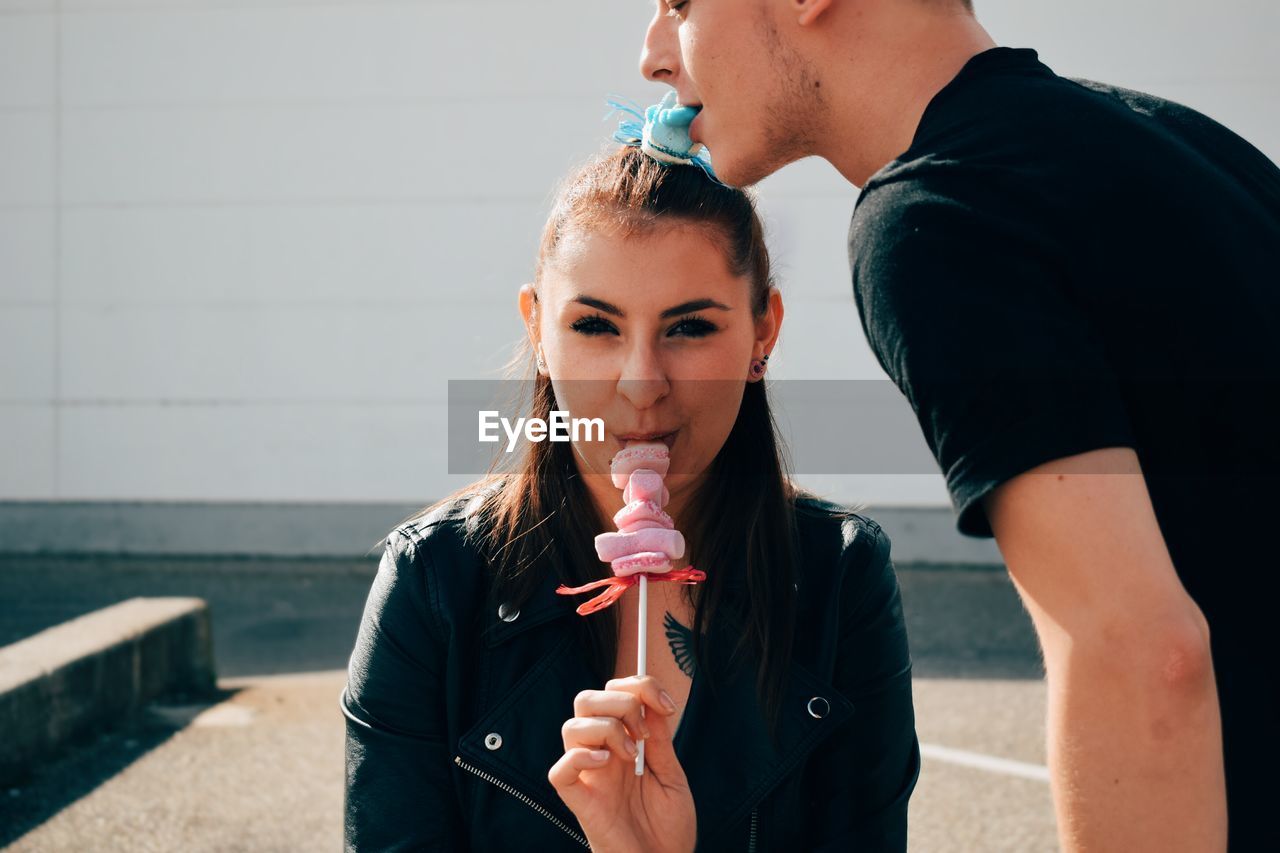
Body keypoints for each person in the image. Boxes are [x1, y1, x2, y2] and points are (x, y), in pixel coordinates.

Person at [636, 1, 1280, 850]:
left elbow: (1138, 653)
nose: (652, 55)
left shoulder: (941, 214)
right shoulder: (1191, 146)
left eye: (678, 2)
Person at [340, 142, 921, 851]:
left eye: (689, 328)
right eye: (594, 326)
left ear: (763, 328)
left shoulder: (840, 577)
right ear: (538, 329)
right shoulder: (434, 584)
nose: (642, 383)